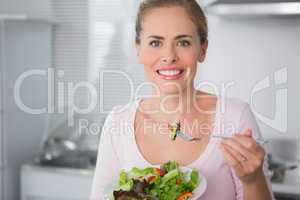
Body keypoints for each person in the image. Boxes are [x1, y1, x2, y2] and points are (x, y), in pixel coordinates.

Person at [90, 0, 274, 199]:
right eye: (155, 43)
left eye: (183, 42)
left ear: (202, 49)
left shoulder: (235, 117)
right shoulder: (118, 122)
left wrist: (253, 180)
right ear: (138, 49)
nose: (169, 56)